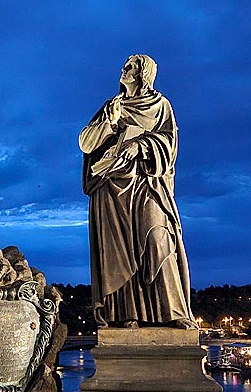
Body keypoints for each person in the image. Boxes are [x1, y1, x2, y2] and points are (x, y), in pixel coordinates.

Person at [79, 55, 196, 329]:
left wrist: (140, 146)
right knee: (120, 252)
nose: (124, 68)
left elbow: (169, 144)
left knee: (158, 238)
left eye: (130, 66)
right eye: (125, 65)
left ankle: (174, 312)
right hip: (111, 187)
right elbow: (86, 144)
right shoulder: (113, 106)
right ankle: (126, 314)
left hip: (147, 183)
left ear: (143, 73)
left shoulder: (160, 105)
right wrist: (109, 122)